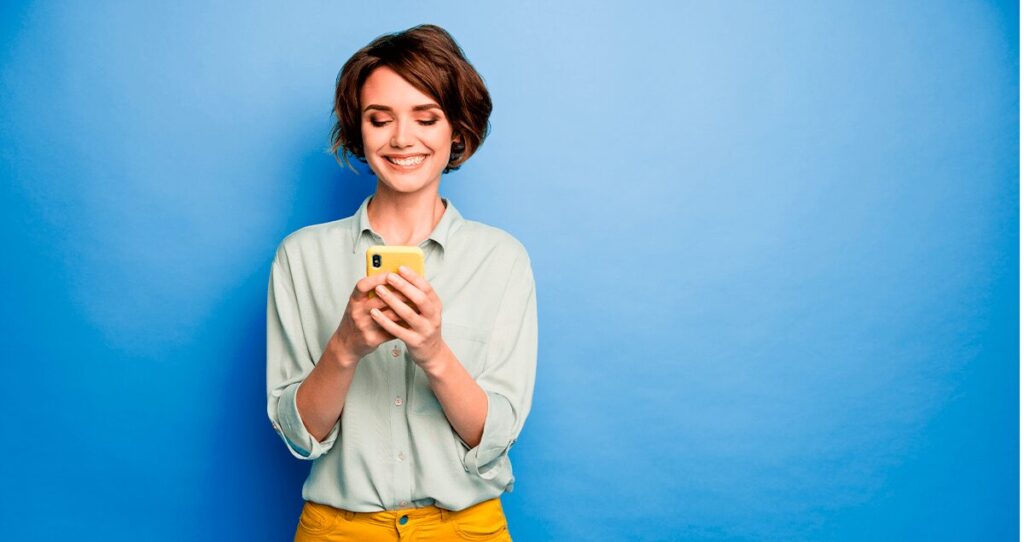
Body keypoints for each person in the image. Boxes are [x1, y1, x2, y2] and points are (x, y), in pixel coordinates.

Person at [265, 24, 537, 542]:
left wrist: (433, 351)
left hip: (465, 528)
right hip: (338, 529)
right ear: (358, 132)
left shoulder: (501, 259)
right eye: (379, 119)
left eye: (426, 117)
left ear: (457, 130)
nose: (402, 138)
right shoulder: (301, 257)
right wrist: (344, 347)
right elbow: (301, 436)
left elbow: (494, 436)